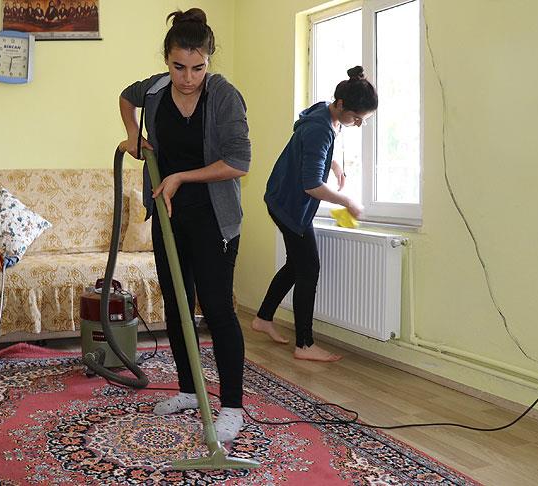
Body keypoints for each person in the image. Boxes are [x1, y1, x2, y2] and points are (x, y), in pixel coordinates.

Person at [118, 8, 250, 442]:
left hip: (214, 217)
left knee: (216, 309)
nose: (188, 77)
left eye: (198, 67)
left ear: (209, 61)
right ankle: (191, 391)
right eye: (179, 67)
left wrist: (180, 177)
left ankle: (232, 406)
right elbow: (125, 95)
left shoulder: (225, 96)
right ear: (166, 59)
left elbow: (237, 163)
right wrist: (135, 138)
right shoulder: (155, 90)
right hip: (168, 214)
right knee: (177, 305)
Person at [252, 66, 378, 362]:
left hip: (282, 198)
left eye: (364, 121)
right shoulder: (320, 127)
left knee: (296, 265)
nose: (358, 124)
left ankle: (263, 319)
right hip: (289, 205)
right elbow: (311, 186)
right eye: (357, 118)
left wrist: (332, 164)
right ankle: (305, 344)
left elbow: (309, 150)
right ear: (342, 105)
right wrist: (346, 201)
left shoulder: (325, 113)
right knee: (309, 268)